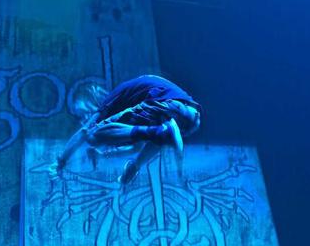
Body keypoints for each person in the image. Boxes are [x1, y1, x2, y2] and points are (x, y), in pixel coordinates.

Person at [52, 74, 201, 184]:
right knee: (155, 135)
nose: (83, 117)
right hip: (191, 117)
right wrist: (104, 156)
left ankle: (159, 135)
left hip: (170, 106)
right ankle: (134, 168)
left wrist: (60, 162)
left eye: (83, 112)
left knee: (93, 135)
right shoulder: (135, 100)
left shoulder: (111, 101)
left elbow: (84, 132)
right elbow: (136, 147)